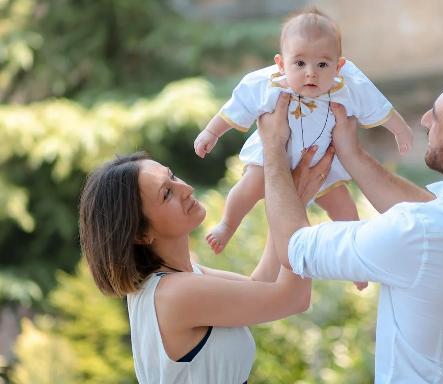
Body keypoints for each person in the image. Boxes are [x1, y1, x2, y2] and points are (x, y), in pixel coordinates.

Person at [259, 60, 443, 383]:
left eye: (437, 118)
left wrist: (272, 150)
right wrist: (351, 153)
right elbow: (439, 219)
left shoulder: (416, 232)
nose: (425, 121)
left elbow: (292, 248)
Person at [78, 133, 332, 384]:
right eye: (167, 194)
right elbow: (293, 299)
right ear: (141, 234)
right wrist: (288, 194)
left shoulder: (176, 281)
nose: (186, 189)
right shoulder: (174, 293)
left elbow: (263, 284)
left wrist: (293, 199)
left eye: (173, 177)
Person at [193, 7, 413, 257]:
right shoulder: (270, 84)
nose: (311, 72)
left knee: (345, 209)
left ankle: (355, 257)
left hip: (323, 165)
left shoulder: (348, 87)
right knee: (248, 188)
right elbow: (239, 104)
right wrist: (211, 132)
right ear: (281, 64)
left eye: (322, 64)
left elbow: (376, 103)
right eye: (299, 63)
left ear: (339, 66)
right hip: (272, 161)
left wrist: (401, 130)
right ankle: (227, 225)